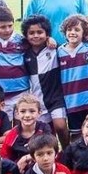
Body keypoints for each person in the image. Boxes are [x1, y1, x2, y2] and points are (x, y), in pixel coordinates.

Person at [22, 15, 69, 146]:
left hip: (55, 98)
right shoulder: (25, 54)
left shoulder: (54, 49)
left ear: (47, 34)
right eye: (31, 33)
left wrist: (52, 40)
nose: (36, 36)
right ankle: (53, 155)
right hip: (37, 100)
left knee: (60, 126)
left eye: (40, 32)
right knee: (44, 134)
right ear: (26, 35)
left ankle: (67, 152)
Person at [58, 15, 88, 140]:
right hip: (72, 102)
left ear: (84, 33)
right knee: (76, 134)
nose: (72, 33)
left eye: (77, 30)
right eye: (69, 30)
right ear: (65, 32)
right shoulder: (59, 52)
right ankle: (77, 158)